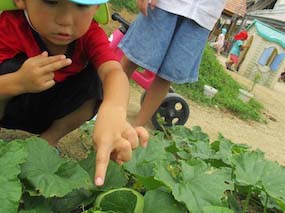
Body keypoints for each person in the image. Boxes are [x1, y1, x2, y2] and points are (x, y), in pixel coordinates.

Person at [0, 0, 149, 186]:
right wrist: (18, 82)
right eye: (51, 2)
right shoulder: (8, 25)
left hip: (52, 112)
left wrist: (114, 110)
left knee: (99, 80)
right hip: (10, 108)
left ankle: (46, 143)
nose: (65, 20)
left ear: (96, 7)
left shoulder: (90, 35)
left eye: (81, 6)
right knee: (7, 68)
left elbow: (114, 72)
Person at [119, 0, 226, 127]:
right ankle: (106, 112)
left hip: (203, 14)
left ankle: (135, 130)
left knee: (167, 75)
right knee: (133, 56)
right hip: (164, 4)